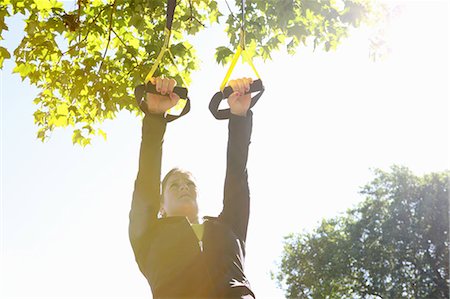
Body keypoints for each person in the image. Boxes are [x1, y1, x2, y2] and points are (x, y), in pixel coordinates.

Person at [129, 76, 256, 299]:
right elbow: (146, 181)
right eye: (174, 185)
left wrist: (239, 116)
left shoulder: (229, 226)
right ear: (161, 204)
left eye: (189, 183)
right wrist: (155, 116)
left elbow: (237, 175)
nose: (183, 187)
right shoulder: (147, 234)